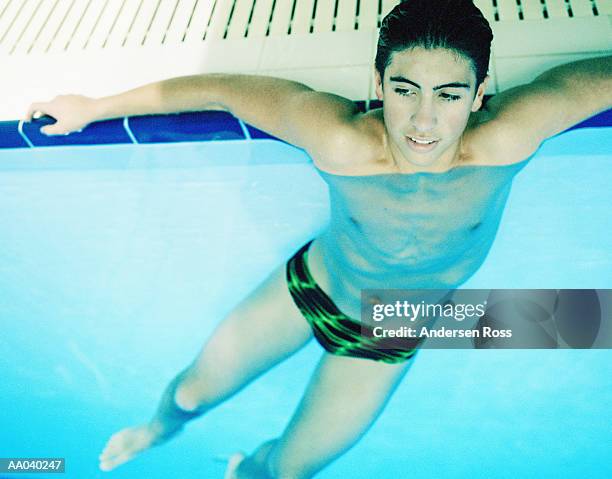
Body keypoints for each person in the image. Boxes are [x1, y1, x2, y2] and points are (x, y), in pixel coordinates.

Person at [25, 1, 611, 477]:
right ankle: (156, 429)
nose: (423, 122)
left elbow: (599, 80)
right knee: (186, 396)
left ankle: (239, 469)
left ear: (481, 94)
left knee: (281, 475)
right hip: (313, 286)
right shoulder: (340, 142)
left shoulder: (511, 136)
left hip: (392, 330)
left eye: (449, 96)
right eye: (405, 91)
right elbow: (225, 89)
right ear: (377, 83)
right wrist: (95, 106)